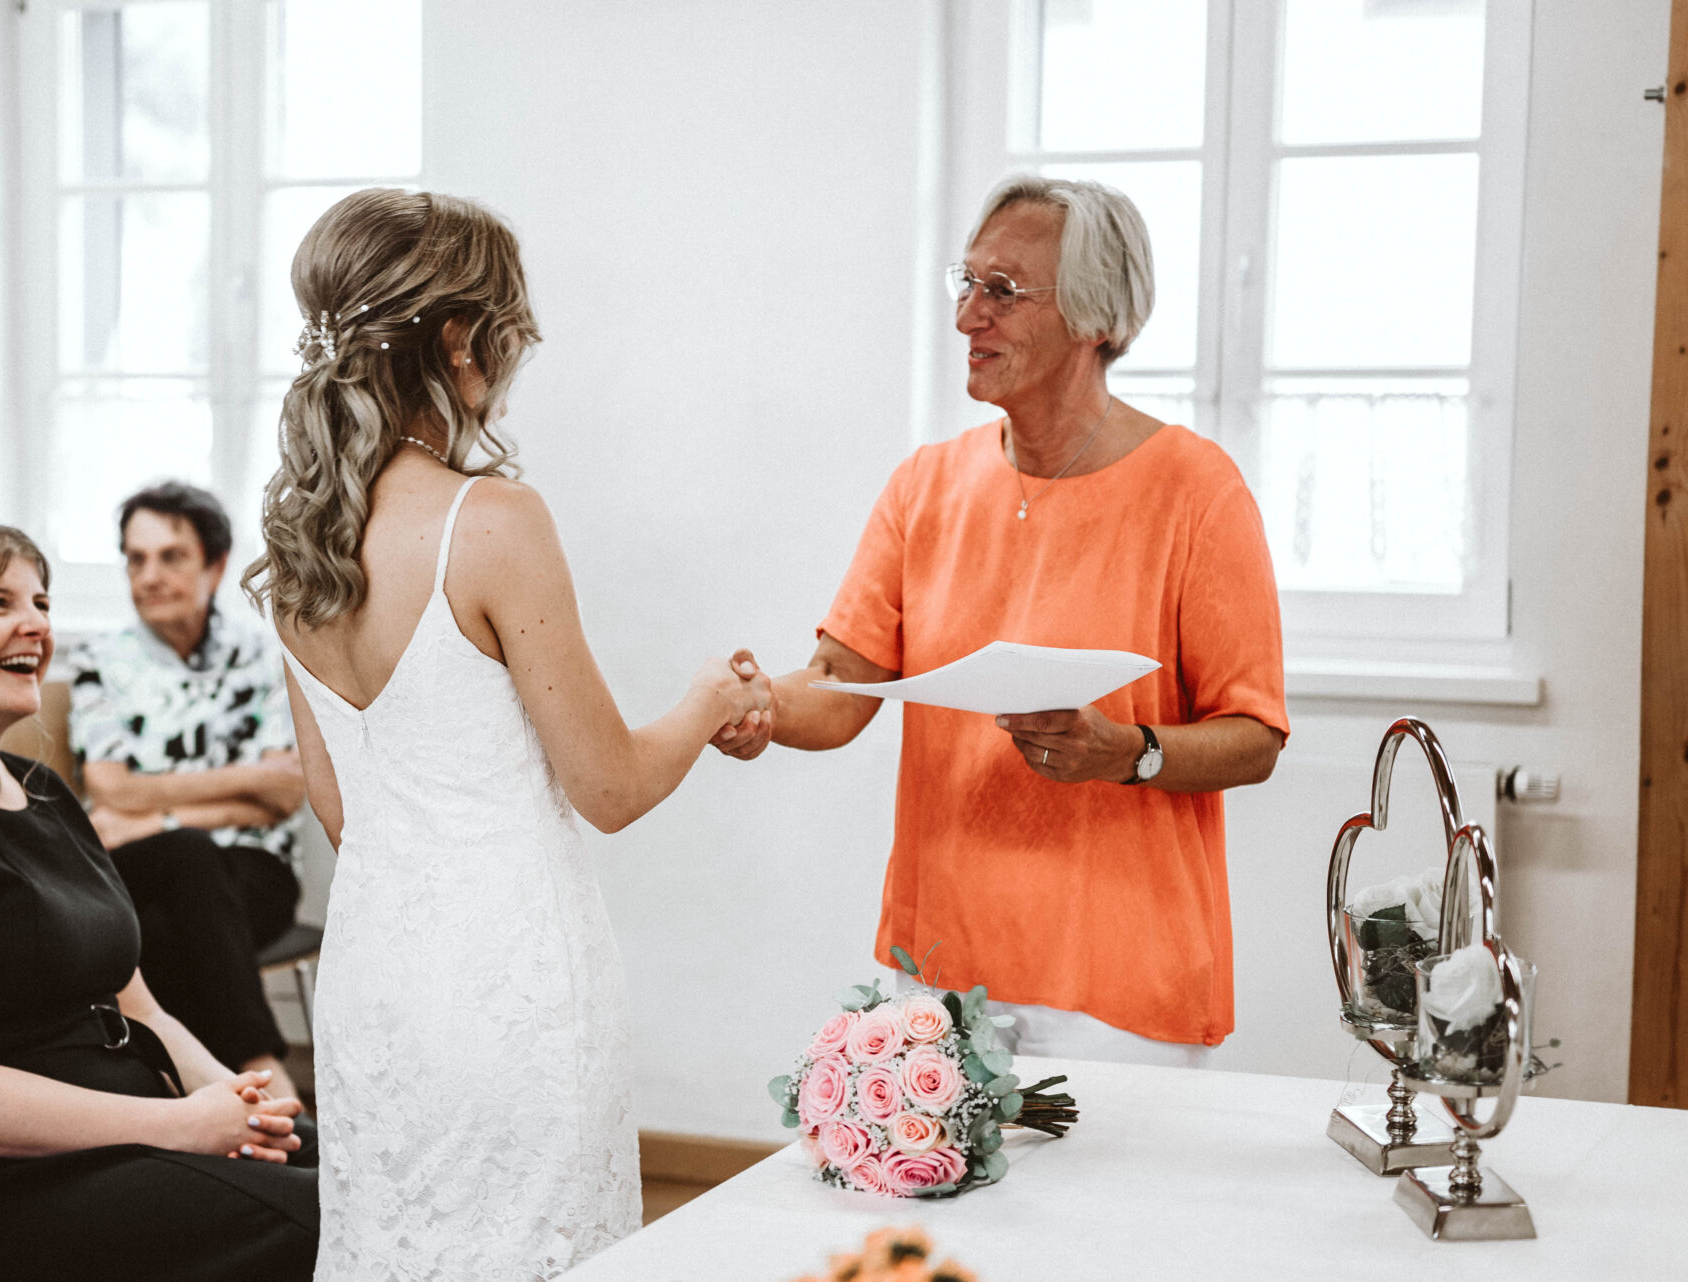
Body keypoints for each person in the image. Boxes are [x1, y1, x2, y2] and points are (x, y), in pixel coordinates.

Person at [243, 187, 769, 1279]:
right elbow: (610, 788)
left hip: (375, 978)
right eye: (508, 333)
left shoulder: (299, 542)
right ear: (458, 343)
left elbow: (341, 810)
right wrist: (708, 700)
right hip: (513, 977)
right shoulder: (491, 522)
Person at [717, 175, 1289, 1064]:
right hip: (943, 968)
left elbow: (1253, 737)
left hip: (1122, 983)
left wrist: (1128, 753)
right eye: (966, 282)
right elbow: (839, 686)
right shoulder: (926, 484)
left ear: (1095, 317)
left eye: (1003, 291)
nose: (966, 317)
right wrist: (758, 705)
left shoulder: (1197, 491)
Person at [0, 521, 316, 1280]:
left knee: (364, 1171)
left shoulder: (42, 791)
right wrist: (178, 1124)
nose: (35, 623)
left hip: (120, 1141)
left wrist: (249, 1104)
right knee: (330, 1219)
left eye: (41, 602)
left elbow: (144, 1011)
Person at [66, 481, 307, 1098]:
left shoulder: (266, 657)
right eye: (136, 558)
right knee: (186, 864)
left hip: (254, 867)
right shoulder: (100, 660)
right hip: (139, 865)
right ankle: (260, 1077)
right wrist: (247, 779)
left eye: (171, 556)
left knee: (165, 927)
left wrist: (155, 814)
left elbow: (284, 794)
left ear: (216, 565)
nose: (149, 576)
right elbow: (109, 786)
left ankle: (184, 1093)